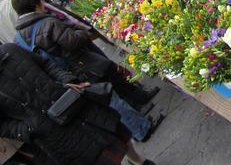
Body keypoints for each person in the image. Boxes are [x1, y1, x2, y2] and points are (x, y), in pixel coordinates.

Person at [12, 0, 162, 143]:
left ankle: (137, 125)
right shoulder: (47, 23)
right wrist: (80, 31)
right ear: (36, 5)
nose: (43, 3)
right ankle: (141, 129)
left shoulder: (18, 39)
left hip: (64, 77)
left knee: (105, 99)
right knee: (110, 96)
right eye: (40, 1)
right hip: (82, 67)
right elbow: (73, 41)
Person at [0, 42, 155, 165]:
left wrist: (67, 80)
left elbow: (46, 64)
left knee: (118, 131)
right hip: (52, 131)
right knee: (98, 157)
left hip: (73, 102)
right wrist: (28, 129)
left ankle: (138, 161)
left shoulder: (11, 49)